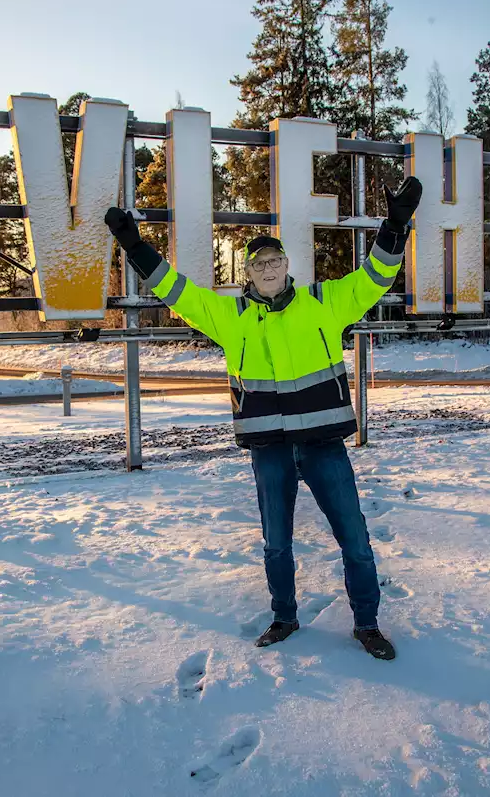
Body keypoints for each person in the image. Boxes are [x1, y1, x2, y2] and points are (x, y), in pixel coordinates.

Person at [104, 177, 422, 660]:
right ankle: (284, 617)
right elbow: (176, 291)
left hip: (323, 446)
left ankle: (367, 624)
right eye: (259, 263)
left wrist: (395, 225)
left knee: (355, 540)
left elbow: (375, 277)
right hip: (270, 450)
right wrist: (133, 244)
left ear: (287, 265)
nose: (268, 267)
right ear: (247, 273)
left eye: (275, 260)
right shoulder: (229, 316)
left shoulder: (324, 302)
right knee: (277, 545)